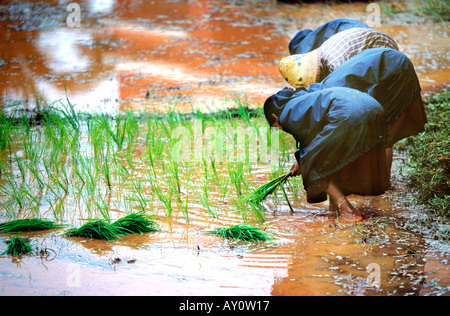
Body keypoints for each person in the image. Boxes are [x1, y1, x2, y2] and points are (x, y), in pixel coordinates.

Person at [264, 87, 388, 223]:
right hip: (374, 108)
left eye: (277, 126)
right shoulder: (304, 97)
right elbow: (316, 143)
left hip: (348, 116)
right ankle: (334, 209)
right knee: (326, 160)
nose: (281, 129)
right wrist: (301, 159)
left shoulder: (286, 116)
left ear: (274, 117)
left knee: (312, 166)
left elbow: (310, 151)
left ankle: (348, 211)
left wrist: (302, 162)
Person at [306, 47, 427, 178]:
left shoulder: (330, 96)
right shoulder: (324, 90)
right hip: (387, 64)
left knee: (384, 135)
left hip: (395, 69)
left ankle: (384, 185)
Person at [279, 27, 399, 89]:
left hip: (385, 52)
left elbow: (347, 90)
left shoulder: (335, 63)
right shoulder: (324, 51)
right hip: (369, 49)